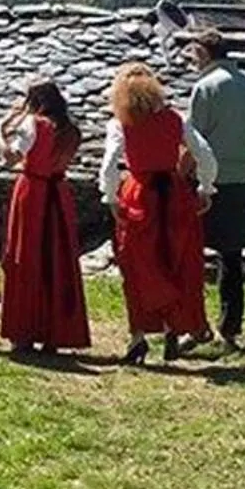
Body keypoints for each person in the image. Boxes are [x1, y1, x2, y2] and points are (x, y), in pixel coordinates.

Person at [97, 61, 217, 364]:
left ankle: (138, 336)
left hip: (139, 195)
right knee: (176, 261)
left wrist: (111, 198)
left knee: (137, 266)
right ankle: (171, 331)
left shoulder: (119, 124)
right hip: (174, 195)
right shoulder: (176, 119)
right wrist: (205, 188)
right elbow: (205, 155)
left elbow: (110, 164)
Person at [187, 27, 245, 346]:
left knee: (190, 255)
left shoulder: (205, 87)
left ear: (205, 53)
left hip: (207, 183)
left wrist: (183, 174)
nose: (191, 59)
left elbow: (192, 140)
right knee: (232, 259)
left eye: (193, 53)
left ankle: (193, 326)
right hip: (240, 181)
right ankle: (230, 329)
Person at [0, 78, 91, 354]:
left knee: (25, 256)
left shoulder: (33, 125)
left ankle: (24, 331)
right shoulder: (71, 130)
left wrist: (1, 131)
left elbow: (11, 158)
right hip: (58, 194)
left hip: (32, 192)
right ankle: (55, 332)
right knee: (56, 260)